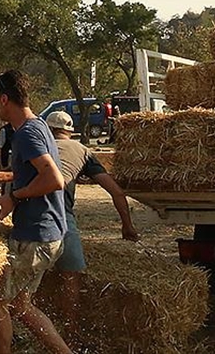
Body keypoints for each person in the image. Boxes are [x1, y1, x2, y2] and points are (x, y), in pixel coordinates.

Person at [0, 70, 72, 354]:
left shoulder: (25, 135)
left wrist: (14, 198)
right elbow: (33, 173)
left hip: (36, 235)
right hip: (48, 233)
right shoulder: (40, 125)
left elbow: (53, 179)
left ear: (5, 99)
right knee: (21, 305)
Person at [45, 110, 140, 327]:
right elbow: (116, 192)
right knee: (71, 275)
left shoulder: (36, 147)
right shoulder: (82, 151)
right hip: (61, 216)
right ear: (70, 131)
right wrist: (127, 226)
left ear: (48, 130)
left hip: (29, 215)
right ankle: (69, 328)